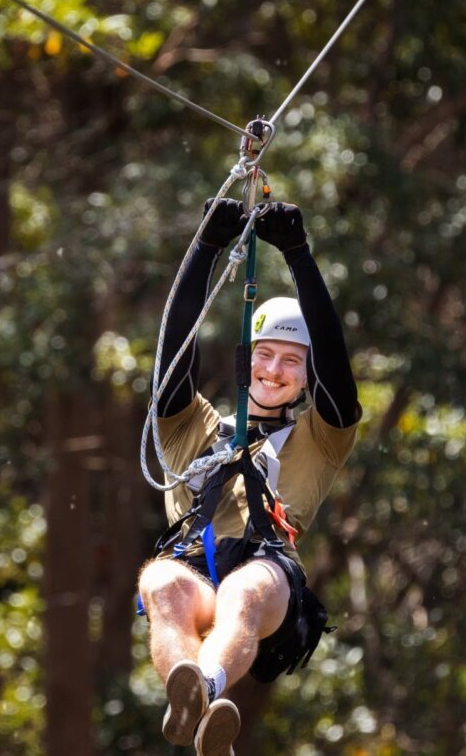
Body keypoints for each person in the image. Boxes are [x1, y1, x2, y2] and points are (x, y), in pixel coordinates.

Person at [139, 197, 362, 755]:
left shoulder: (321, 437)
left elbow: (337, 371)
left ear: (306, 377)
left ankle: (207, 689)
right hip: (194, 564)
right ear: (246, 360)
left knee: (244, 589)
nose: (273, 371)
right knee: (161, 583)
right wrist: (205, 249)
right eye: (265, 355)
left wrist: (298, 255)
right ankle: (195, 707)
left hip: (268, 579)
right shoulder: (192, 427)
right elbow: (173, 357)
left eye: (292, 361)